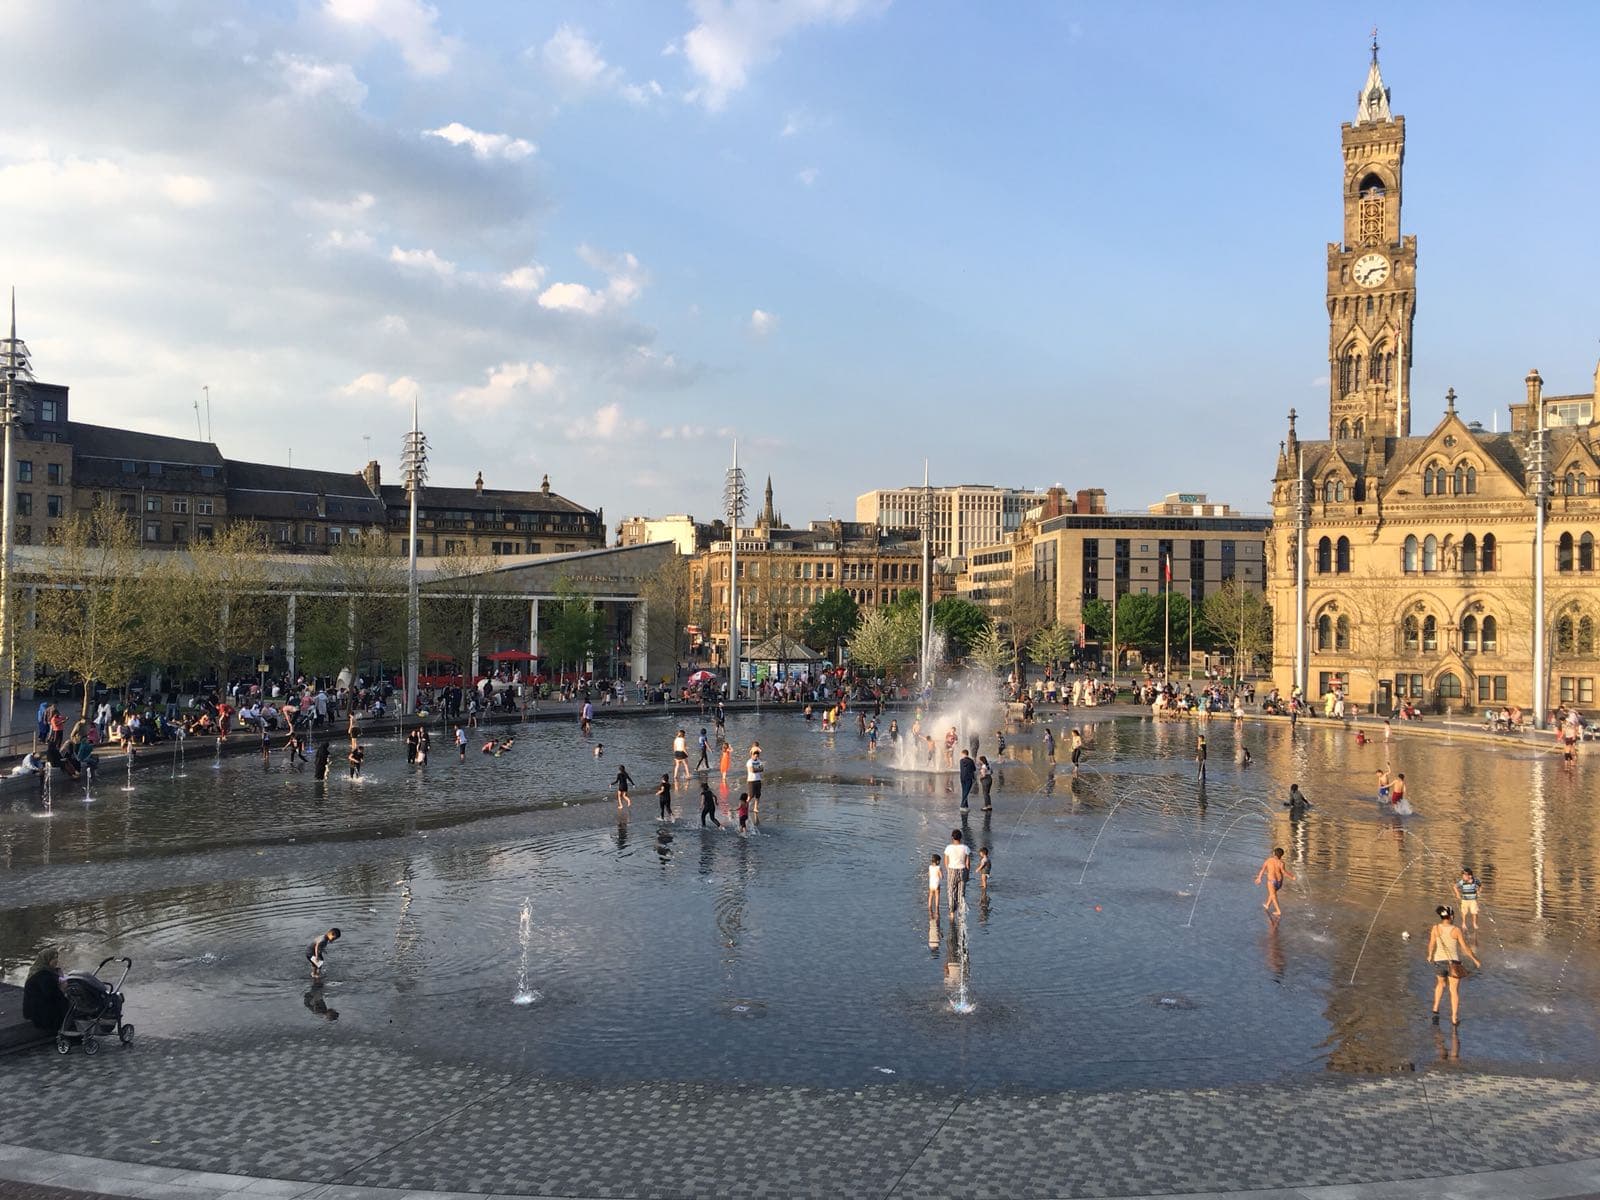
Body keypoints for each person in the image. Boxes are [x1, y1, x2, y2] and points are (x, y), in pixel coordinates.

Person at [1428, 904, 1481, 1026]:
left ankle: (1435, 1008)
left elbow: (1431, 944)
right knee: (1454, 991)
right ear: (1451, 916)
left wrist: (1430, 955)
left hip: (1439, 961)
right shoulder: (1456, 930)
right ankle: (1454, 1018)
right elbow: (1465, 948)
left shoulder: (1435, 928)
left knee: (1440, 984)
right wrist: (1475, 959)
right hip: (1454, 963)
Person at [23, 947, 70, 1032]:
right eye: (53, 958)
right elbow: (52, 995)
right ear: (47, 960)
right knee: (66, 1001)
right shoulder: (43, 976)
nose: (56, 960)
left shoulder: (37, 969)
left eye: (56, 957)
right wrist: (63, 988)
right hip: (41, 1014)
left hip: (33, 1010)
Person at [1254, 847, 1295, 916]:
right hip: (1279, 881)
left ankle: (1278, 911)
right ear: (1281, 855)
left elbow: (1263, 869)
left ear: (1274, 853)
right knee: (1273, 893)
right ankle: (1267, 905)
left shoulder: (1269, 860)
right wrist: (1292, 877)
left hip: (1271, 881)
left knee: (1273, 895)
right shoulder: (1281, 863)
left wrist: (1259, 878)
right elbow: (1284, 872)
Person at [943, 830, 971, 915]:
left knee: (951, 891)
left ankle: (951, 913)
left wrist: (948, 871)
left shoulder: (948, 848)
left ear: (952, 837)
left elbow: (946, 862)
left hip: (952, 869)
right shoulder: (965, 848)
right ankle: (960, 911)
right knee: (961, 892)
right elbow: (967, 863)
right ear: (961, 837)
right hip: (962, 870)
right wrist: (968, 874)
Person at [746, 748, 764, 812]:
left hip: (758, 780)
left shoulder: (759, 761)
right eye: (754, 755)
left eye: (757, 755)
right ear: (752, 755)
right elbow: (752, 770)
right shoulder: (749, 762)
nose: (755, 756)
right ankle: (745, 806)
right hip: (751, 780)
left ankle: (755, 808)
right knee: (751, 795)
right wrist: (757, 769)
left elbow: (762, 769)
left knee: (758, 795)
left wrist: (756, 769)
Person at [927, 853, 942, 917]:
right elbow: (941, 876)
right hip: (936, 883)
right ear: (937, 861)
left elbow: (929, 875)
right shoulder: (938, 868)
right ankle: (937, 909)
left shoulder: (930, 867)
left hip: (931, 883)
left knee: (930, 896)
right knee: (937, 896)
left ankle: (929, 908)